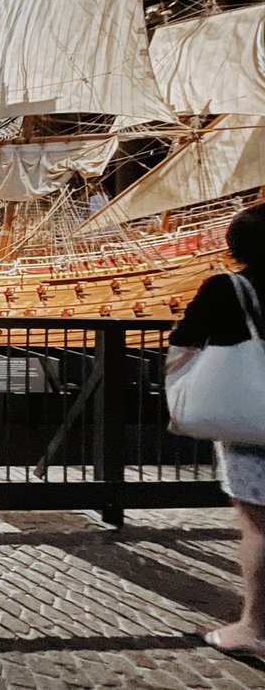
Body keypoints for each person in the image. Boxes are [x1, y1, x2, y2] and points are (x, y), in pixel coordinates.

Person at [169, 202, 265, 655]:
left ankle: (255, 627)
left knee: (260, 526)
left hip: (253, 423)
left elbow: (185, 340)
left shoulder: (229, 288)